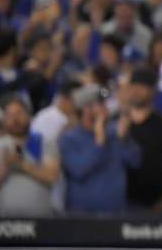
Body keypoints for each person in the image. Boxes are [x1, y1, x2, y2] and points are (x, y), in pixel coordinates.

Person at [58, 84, 138, 212]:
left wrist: (124, 139)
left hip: (115, 213)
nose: (105, 107)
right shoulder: (69, 138)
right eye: (100, 103)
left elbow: (135, 161)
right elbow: (79, 170)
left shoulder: (113, 132)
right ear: (86, 109)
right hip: (82, 215)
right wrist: (99, 142)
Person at [0, 93, 59, 217]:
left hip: (41, 218)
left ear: (30, 116)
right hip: (4, 220)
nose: (15, 119)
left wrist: (22, 165)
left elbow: (51, 177)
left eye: (19, 113)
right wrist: (6, 165)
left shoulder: (44, 143)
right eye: (10, 115)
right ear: (4, 119)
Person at [123, 66, 162, 212]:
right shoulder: (115, 122)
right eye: (134, 85)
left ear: (153, 91)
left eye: (142, 86)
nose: (136, 90)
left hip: (156, 204)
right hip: (119, 204)